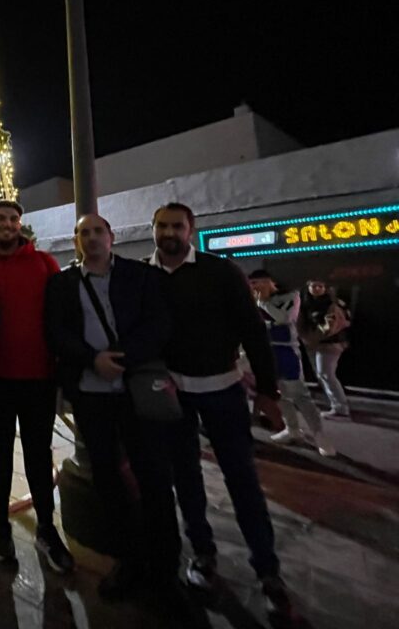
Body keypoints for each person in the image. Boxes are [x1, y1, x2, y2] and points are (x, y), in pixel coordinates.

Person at [150, 203, 303, 627]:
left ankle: (268, 572)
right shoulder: (144, 276)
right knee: (186, 480)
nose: (169, 233)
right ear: (153, 229)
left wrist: (268, 392)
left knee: (243, 481)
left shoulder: (221, 272)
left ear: (191, 230)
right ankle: (202, 554)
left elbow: (253, 331)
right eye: (162, 226)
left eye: (177, 226)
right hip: (173, 397)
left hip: (223, 391)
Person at [45, 214, 181, 601]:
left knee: (154, 477)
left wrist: (120, 358)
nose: (91, 238)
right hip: (92, 397)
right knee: (107, 479)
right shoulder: (62, 284)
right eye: (83, 233)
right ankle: (129, 559)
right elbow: (56, 332)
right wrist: (93, 361)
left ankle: (166, 566)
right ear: (76, 240)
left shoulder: (141, 276)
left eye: (97, 231)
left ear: (111, 236)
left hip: (137, 391)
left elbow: (159, 323)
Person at [0, 200, 74, 573]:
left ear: (20, 224)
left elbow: (61, 316)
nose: (8, 224)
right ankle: (1, 528)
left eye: (14, 219)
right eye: (2, 218)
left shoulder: (44, 263)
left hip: (38, 380)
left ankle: (46, 528)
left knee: (38, 456)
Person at [249, 270, 336, 457]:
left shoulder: (290, 296)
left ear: (268, 281)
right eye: (251, 284)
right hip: (265, 352)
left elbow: (284, 318)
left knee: (300, 395)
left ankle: (320, 436)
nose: (253, 287)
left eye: (256, 282)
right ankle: (292, 429)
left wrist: (262, 303)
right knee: (278, 394)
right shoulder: (251, 299)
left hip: (285, 351)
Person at [300, 279, 352, 419]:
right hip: (314, 343)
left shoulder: (332, 304)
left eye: (320, 286)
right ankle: (336, 404)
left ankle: (341, 408)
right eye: (313, 286)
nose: (317, 288)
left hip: (330, 343)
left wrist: (311, 338)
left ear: (325, 288)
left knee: (326, 374)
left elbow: (331, 327)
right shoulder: (306, 303)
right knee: (322, 374)